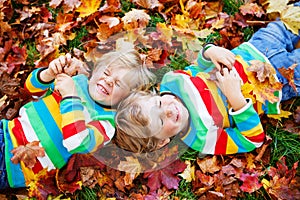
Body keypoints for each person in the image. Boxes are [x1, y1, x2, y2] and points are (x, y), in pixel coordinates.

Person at [113, 19, 299, 155]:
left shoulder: (172, 82)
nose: (168, 110)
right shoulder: (201, 138)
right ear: (162, 141)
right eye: (161, 121)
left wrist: (210, 51)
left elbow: (198, 67)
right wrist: (236, 100)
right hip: (278, 81)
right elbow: (252, 140)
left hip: (258, 48)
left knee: (291, 20)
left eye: (159, 104)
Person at [0, 49, 155, 189]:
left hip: (14, 165)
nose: (108, 81)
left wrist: (70, 97)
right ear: (96, 71)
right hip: (5, 130)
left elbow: (77, 143)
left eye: (119, 84)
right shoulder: (78, 81)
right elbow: (31, 90)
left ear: (124, 100)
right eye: (107, 73)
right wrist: (48, 74)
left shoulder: (106, 122)